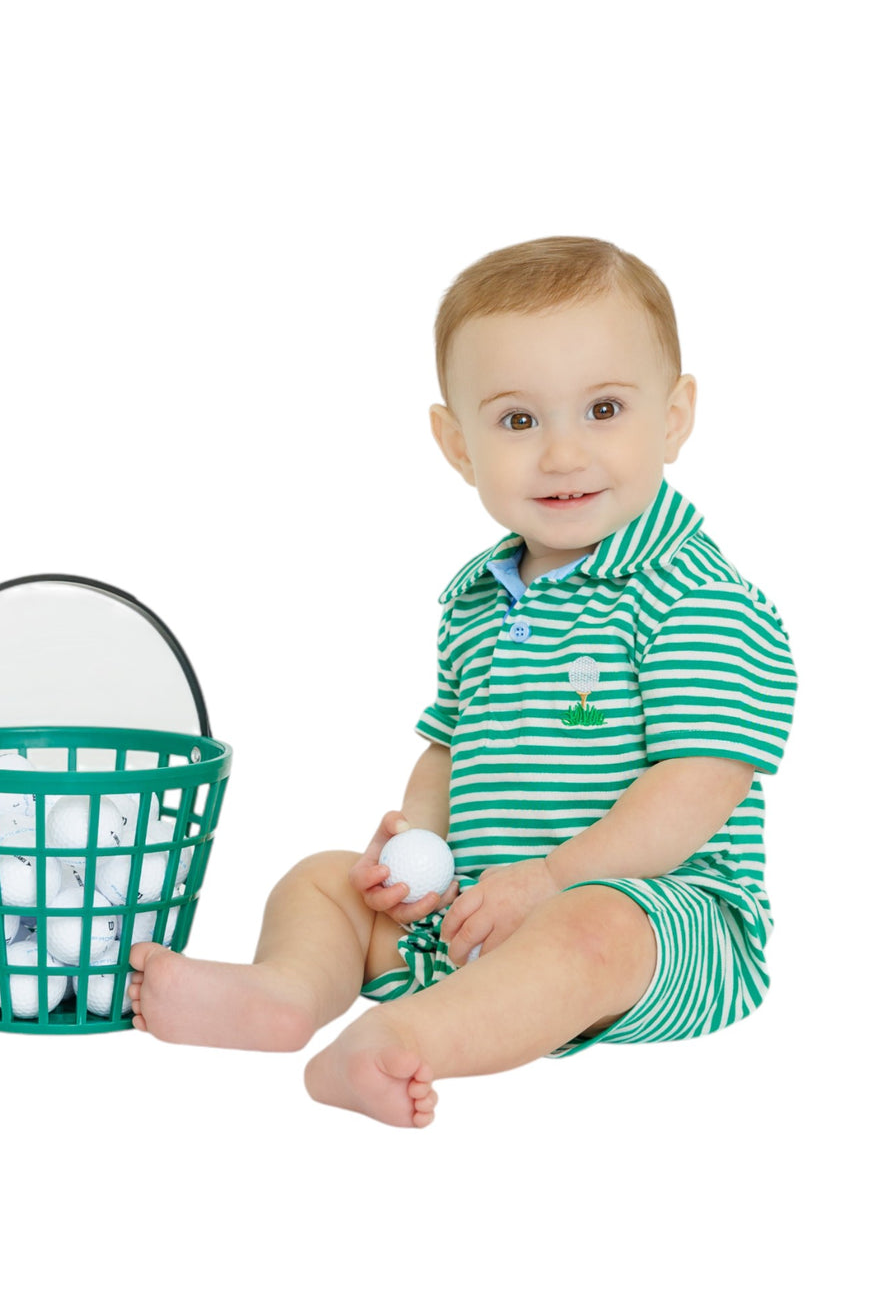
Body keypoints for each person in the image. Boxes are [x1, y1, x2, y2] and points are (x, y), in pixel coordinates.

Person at [128, 236, 797, 1128]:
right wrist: (419, 853)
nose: (562, 454)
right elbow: (448, 748)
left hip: (667, 921)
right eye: (519, 421)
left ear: (674, 418)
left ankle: (403, 1039)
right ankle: (285, 994)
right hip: (475, 914)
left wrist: (555, 878)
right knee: (321, 880)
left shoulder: (699, 597)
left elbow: (698, 788)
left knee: (594, 929)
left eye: (603, 408)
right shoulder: (478, 598)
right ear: (456, 443)